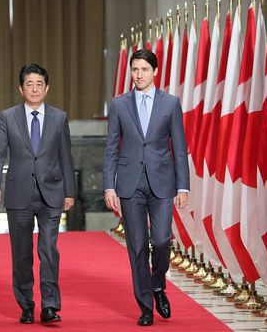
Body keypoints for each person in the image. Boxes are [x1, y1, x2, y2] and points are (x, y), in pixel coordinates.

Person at [103, 49, 190, 326]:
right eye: (134, 69)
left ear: (155, 72)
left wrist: (183, 187)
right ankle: (145, 307)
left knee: (162, 240)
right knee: (138, 246)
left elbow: (179, 147)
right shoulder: (119, 104)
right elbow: (111, 150)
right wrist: (109, 186)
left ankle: (157, 285)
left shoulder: (170, 103)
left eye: (143, 69)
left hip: (163, 183)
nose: (138, 75)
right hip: (129, 186)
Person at [0, 63, 75, 325]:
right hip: (18, 194)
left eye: (39, 84)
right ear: (21, 88)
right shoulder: (8, 117)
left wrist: (69, 191)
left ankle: (50, 305)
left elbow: (65, 156)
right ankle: (26, 305)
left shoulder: (59, 117)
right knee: (22, 253)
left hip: (51, 194)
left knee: (49, 250)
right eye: (29, 84)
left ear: (47, 88)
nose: (34, 89)